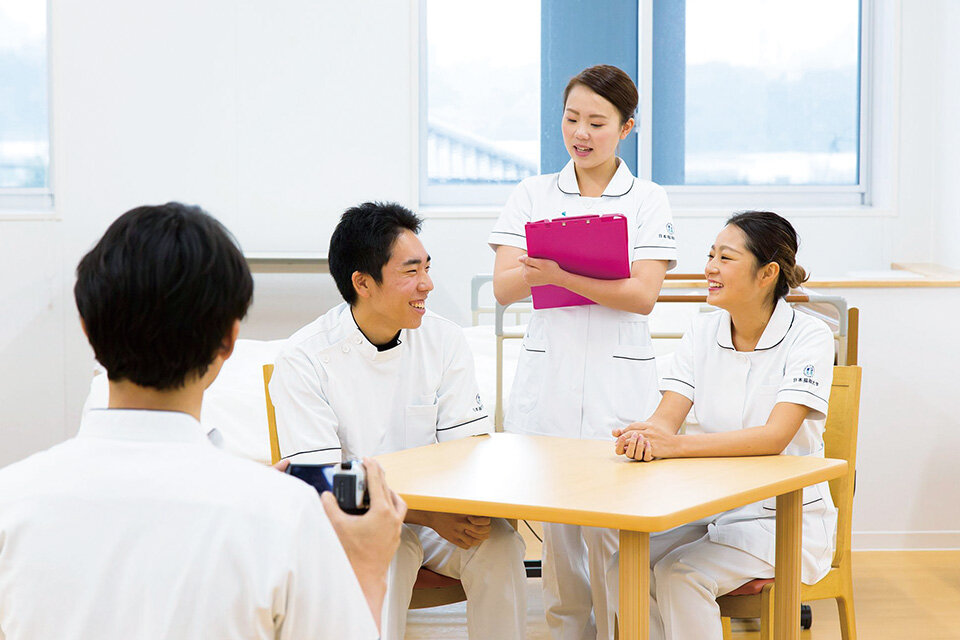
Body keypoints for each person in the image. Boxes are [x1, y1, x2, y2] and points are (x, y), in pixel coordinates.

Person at [0, 203, 405, 640]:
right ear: (229, 340)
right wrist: (367, 569)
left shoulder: (11, 502)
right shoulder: (283, 516)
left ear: (87, 331)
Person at [269, 201, 527, 640]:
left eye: (426, 267)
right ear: (362, 283)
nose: (427, 284)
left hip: (439, 514)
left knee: (500, 545)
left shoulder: (443, 339)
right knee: (389, 552)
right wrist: (425, 516)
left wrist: (449, 514)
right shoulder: (304, 357)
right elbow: (322, 481)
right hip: (355, 521)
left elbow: (469, 450)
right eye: (410, 272)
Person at [488, 64, 677, 640]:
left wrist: (562, 272)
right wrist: (550, 270)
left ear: (627, 128)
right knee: (560, 541)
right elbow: (502, 287)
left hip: (618, 389)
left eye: (598, 121)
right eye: (572, 118)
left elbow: (643, 296)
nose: (582, 133)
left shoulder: (646, 199)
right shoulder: (533, 193)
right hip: (551, 382)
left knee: (618, 538)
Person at [613, 211, 837, 640]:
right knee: (620, 565)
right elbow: (667, 418)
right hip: (714, 508)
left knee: (682, 575)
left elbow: (774, 438)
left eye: (726, 258)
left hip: (783, 519)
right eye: (710, 255)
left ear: (767, 273)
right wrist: (643, 435)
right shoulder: (702, 332)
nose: (710, 267)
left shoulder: (810, 336)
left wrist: (671, 446)